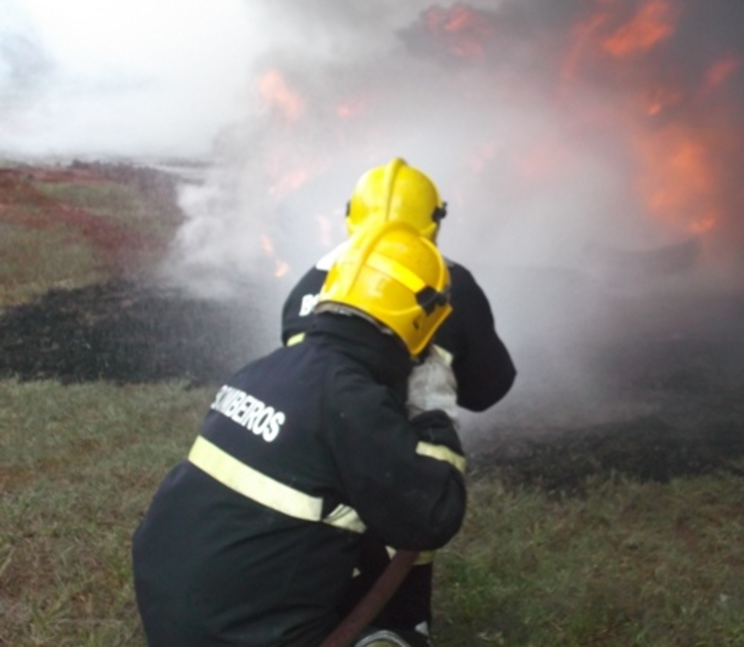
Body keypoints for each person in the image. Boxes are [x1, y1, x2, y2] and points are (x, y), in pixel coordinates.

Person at [132, 220, 467, 647]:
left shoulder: (266, 369)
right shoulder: (351, 400)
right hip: (237, 636)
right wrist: (434, 410)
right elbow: (432, 515)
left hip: (171, 616)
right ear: (422, 322)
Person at [281, 158, 517, 644]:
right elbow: (490, 387)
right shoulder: (450, 284)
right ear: (433, 223)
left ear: (350, 217)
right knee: (402, 522)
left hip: (300, 462)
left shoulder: (308, 280)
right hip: (396, 469)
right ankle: (397, 627)